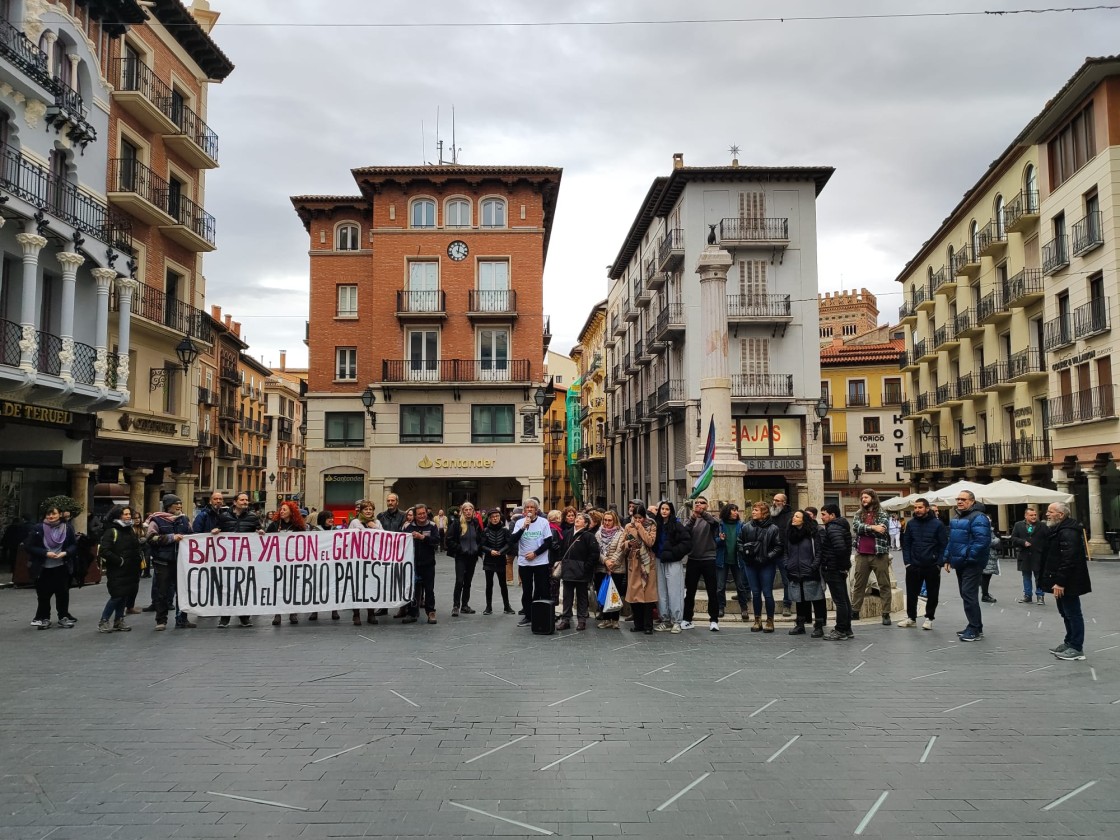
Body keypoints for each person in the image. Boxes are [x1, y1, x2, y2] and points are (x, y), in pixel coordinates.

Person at [1041, 502, 1092, 661]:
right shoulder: (1060, 529)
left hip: (1069, 581)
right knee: (1065, 613)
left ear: (1061, 515)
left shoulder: (1068, 532)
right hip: (1063, 579)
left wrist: (1060, 582)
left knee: (1073, 613)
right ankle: (1069, 642)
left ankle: (1077, 647)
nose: (1047, 514)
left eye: (1051, 512)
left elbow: (1068, 559)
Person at [942, 489, 992, 642]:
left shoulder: (979, 518)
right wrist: (947, 558)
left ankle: (974, 628)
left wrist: (968, 556)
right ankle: (975, 625)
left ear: (972, 501)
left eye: (963, 499)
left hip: (972, 563)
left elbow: (982, 541)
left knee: (968, 595)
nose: (959, 501)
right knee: (966, 595)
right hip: (960, 562)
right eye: (958, 499)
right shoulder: (957, 517)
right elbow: (952, 540)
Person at [25, 502, 79, 629]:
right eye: (48, 514)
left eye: (53, 513)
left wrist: (65, 553)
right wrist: (45, 553)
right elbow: (29, 546)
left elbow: (74, 545)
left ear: (60, 514)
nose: (50, 516)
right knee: (43, 595)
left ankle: (63, 617)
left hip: (61, 566)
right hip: (43, 567)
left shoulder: (68, 528)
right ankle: (44, 618)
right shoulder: (38, 528)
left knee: (63, 593)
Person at [898, 498, 948, 630]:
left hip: (932, 565)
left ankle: (929, 618)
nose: (917, 510)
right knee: (911, 593)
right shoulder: (911, 524)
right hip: (913, 565)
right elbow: (906, 544)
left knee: (932, 593)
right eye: (915, 508)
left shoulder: (938, 524)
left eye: (920, 507)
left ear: (927, 508)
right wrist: (907, 562)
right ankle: (911, 618)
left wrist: (939, 563)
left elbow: (943, 545)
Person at [147, 494, 194, 630]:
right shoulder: (156, 520)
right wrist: (171, 538)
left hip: (181, 562)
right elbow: (151, 538)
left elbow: (192, 536)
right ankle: (161, 620)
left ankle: (182, 619)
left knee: (183, 592)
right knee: (162, 592)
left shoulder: (184, 520)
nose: (179, 506)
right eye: (176, 504)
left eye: (180, 503)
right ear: (168, 506)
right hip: (163, 562)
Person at [738, 500, 785, 633]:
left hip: (767, 565)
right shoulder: (746, 527)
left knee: (768, 593)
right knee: (756, 593)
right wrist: (745, 553)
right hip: (750, 564)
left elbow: (778, 546)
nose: (753, 512)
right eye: (753, 510)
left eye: (756, 510)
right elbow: (739, 542)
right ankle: (757, 620)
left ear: (764, 513)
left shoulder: (773, 528)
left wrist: (767, 557)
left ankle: (770, 620)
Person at [216, 492, 261, 628]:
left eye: (246, 500)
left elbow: (258, 530)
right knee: (227, 587)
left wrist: (260, 531)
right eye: (242, 500)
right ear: (235, 502)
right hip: (228, 559)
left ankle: (244, 617)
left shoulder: (253, 517)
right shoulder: (224, 517)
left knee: (244, 588)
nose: (245, 502)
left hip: (245, 559)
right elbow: (218, 530)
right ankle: (225, 618)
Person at [97, 505, 144, 633]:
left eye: (129, 514)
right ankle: (104, 620)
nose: (128, 516)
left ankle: (119, 620)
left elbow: (134, 547)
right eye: (125, 514)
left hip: (130, 569)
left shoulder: (130, 530)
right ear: (118, 516)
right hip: (118, 570)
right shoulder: (112, 531)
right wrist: (119, 561)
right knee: (117, 596)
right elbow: (104, 550)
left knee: (124, 596)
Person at [851, 489, 894, 626]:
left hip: (879, 554)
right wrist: (873, 528)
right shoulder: (859, 513)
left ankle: (886, 613)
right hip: (862, 553)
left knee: (884, 584)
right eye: (862, 497)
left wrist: (870, 529)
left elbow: (882, 530)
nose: (863, 499)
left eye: (866, 497)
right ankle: (855, 611)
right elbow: (856, 527)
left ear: (873, 498)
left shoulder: (882, 513)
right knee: (859, 584)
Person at [510, 498, 554, 627]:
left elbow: (548, 542)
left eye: (532, 507)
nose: (529, 509)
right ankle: (528, 616)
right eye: (527, 508)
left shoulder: (543, 522)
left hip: (540, 562)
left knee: (543, 589)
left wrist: (535, 553)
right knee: (527, 590)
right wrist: (524, 527)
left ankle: (544, 614)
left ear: (536, 510)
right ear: (524, 510)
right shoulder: (519, 523)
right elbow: (512, 539)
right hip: (524, 563)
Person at [266, 502, 308, 626]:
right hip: (277, 561)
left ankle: (292, 612)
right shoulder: (274, 525)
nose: (282, 511)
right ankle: (277, 613)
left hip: (293, 562)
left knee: (293, 586)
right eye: (281, 509)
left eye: (284, 509)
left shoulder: (298, 527)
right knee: (278, 587)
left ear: (291, 511)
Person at [785, 510, 826, 637]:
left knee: (816, 598)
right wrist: (787, 564)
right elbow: (785, 552)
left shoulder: (813, 533)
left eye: (797, 516)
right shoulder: (790, 534)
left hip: (810, 571)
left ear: (804, 519)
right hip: (794, 571)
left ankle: (818, 626)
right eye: (793, 516)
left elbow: (819, 552)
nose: (793, 518)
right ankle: (800, 625)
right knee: (799, 599)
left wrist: (814, 566)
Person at [556, 513, 600, 631]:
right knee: (567, 596)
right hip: (568, 570)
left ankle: (581, 620)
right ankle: (566, 619)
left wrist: (586, 567)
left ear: (585, 523)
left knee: (582, 596)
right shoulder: (567, 533)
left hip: (582, 571)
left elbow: (594, 554)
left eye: (580, 519)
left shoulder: (589, 536)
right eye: (577, 518)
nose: (577, 520)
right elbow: (561, 549)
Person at [651, 500, 690, 633]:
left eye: (667, 509)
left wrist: (675, 553)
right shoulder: (656, 525)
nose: (664, 511)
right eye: (662, 509)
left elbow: (687, 542)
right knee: (662, 592)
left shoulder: (677, 525)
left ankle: (677, 621)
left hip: (673, 561)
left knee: (675, 591)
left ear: (671, 511)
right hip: (659, 560)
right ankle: (665, 619)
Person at [683, 496, 721, 632]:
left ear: (707, 505)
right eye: (697, 503)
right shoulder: (690, 519)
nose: (699, 504)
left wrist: (702, 513)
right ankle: (687, 619)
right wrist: (694, 517)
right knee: (690, 591)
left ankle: (714, 620)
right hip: (693, 559)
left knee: (712, 591)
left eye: (702, 503)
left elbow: (714, 524)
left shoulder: (712, 518)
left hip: (708, 559)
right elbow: (685, 531)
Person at [621, 500, 658, 633]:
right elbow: (622, 545)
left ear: (644, 517)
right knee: (635, 596)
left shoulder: (651, 525)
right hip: (634, 563)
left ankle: (648, 626)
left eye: (640, 518)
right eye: (635, 518)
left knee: (648, 596)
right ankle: (638, 624)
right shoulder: (627, 527)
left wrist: (640, 528)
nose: (637, 520)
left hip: (647, 564)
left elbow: (650, 542)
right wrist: (628, 544)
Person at [819, 504, 854, 641]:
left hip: (833, 568)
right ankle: (847, 628)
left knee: (840, 601)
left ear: (832, 515)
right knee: (844, 599)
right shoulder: (840, 526)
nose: (821, 517)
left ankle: (840, 630)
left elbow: (840, 549)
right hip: (838, 568)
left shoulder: (833, 528)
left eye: (823, 514)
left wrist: (834, 564)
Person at [403, 503, 441, 624]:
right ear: (414, 515)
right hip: (413, 564)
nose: (422, 516)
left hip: (428, 564)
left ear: (427, 513)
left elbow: (436, 541)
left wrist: (423, 538)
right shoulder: (408, 527)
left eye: (423, 513)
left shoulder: (433, 526)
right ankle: (412, 612)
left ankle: (431, 612)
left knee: (429, 589)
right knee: (413, 589)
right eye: (419, 514)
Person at [348, 500, 383, 626]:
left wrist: (375, 527)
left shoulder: (377, 522)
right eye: (365, 509)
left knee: (371, 587)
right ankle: (356, 614)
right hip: (357, 560)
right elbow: (348, 539)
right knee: (357, 587)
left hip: (372, 560)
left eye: (370, 509)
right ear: (361, 511)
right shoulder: (355, 522)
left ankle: (371, 613)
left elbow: (383, 538)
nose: (368, 511)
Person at [715, 503, 750, 622]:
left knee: (740, 586)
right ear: (727, 512)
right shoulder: (719, 525)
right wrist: (720, 539)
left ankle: (744, 608)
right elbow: (713, 541)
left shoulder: (741, 525)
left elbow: (746, 540)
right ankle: (720, 607)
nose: (736, 512)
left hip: (738, 560)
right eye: (733, 510)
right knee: (720, 587)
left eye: (736, 510)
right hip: (722, 559)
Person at [447, 501, 483, 616]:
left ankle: (465, 605)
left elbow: (481, 538)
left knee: (468, 582)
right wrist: (460, 549)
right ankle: (456, 606)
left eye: (470, 509)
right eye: (465, 510)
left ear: (473, 511)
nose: (468, 512)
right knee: (459, 581)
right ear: (462, 511)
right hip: (461, 557)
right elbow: (449, 540)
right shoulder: (457, 523)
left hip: (472, 557)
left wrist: (478, 548)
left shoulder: (476, 523)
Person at [594, 509, 626, 629]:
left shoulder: (621, 533)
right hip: (601, 567)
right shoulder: (598, 533)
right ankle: (606, 618)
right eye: (605, 520)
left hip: (616, 568)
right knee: (602, 592)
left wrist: (612, 562)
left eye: (609, 520)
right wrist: (605, 561)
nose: (607, 522)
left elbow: (621, 550)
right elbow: (597, 550)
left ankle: (615, 619)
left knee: (614, 594)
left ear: (614, 520)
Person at [480, 509, 515, 615]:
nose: (495, 518)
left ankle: (507, 606)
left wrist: (501, 552)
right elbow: (481, 545)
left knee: (503, 584)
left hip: (500, 560)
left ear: (500, 517)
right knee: (489, 584)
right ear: (490, 519)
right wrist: (490, 551)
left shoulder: (505, 530)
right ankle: (488, 607)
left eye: (497, 516)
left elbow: (509, 544)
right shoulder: (485, 530)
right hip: (489, 561)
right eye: (492, 517)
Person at [1011, 508, 1046, 605]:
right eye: (1031, 515)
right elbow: (1013, 538)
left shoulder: (1042, 525)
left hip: (1038, 554)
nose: (1034, 517)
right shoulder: (1018, 525)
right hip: (1024, 554)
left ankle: (1040, 596)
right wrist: (1022, 542)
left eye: (1035, 515)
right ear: (1026, 516)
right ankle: (1027, 596)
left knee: (1039, 577)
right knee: (1026, 576)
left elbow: (1048, 538)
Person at [770, 493, 794, 616]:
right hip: (769, 553)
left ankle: (787, 605)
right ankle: (769, 605)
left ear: (784, 503)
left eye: (777, 500)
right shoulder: (769, 516)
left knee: (786, 580)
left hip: (784, 553)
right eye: (774, 500)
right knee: (767, 580)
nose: (774, 502)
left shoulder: (790, 517)